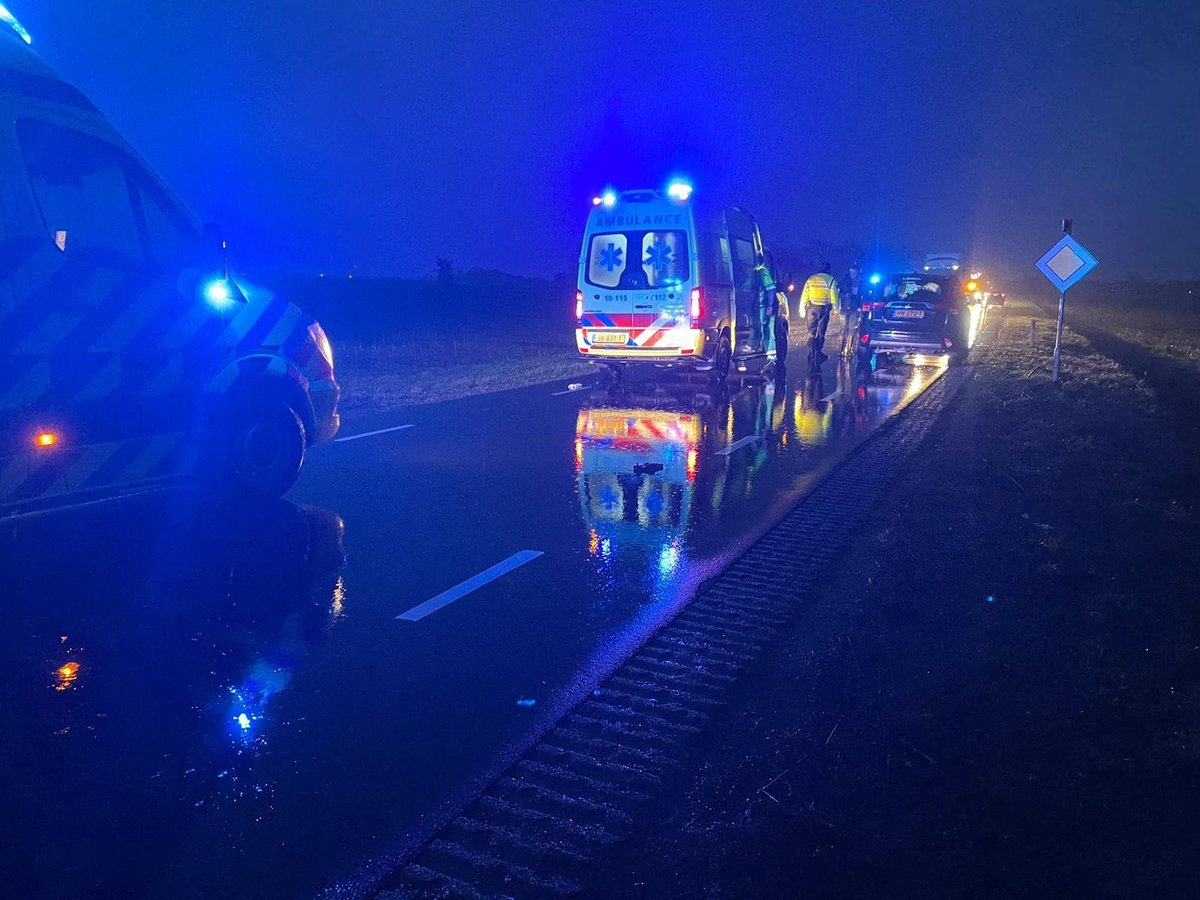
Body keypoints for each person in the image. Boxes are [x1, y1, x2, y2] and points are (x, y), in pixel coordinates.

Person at [799, 263, 839, 362]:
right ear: (828, 270)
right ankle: (818, 353)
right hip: (824, 309)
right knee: (821, 331)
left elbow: (805, 294)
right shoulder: (831, 280)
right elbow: (834, 295)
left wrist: (802, 309)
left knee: (812, 331)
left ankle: (811, 350)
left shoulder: (811, 279)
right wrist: (835, 309)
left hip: (811, 309)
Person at [840, 264, 862, 355]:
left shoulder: (861, 282)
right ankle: (841, 349)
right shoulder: (844, 281)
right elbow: (839, 292)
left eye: (855, 272)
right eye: (852, 272)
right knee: (843, 328)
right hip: (845, 308)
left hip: (855, 308)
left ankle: (849, 349)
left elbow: (863, 295)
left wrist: (861, 307)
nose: (853, 274)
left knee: (852, 329)